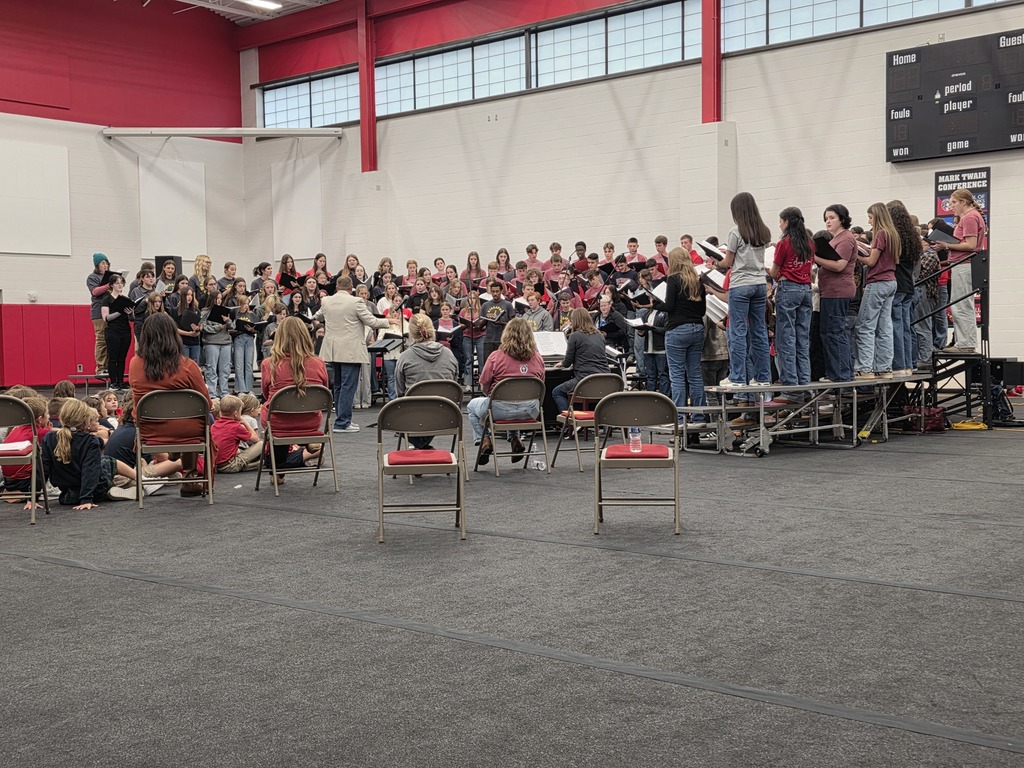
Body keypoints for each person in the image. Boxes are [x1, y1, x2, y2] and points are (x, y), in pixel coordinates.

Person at [129, 313, 215, 497]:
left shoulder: (135, 364)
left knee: (186, 418)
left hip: (151, 430)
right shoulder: (188, 366)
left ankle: (177, 454)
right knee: (199, 417)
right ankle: (190, 477)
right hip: (187, 430)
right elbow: (207, 403)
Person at [315, 276, 389, 433]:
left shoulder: (326, 301)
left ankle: (341, 420)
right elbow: (372, 322)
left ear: (336, 287)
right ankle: (343, 422)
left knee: (339, 385)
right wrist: (389, 321)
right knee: (349, 385)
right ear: (351, 288)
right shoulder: (356, 302)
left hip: (333, 349)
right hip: (350, 350)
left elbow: (317, 316)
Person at [467, 317, 545, 464]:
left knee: (472, 406)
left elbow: (484, 385)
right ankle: (515, 440)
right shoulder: (538, 358)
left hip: (499, 409)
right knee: (514, 403)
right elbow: (541, 385)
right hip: (530, 410)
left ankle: (484, 440)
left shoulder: (496, 357)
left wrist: (491, 395)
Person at [261, 316, 331, 473]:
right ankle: (308, 441)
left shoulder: (269, 364)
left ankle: (277, 471)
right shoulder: (318, 363)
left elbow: (266, 394)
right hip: (310, 421)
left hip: (279, 423)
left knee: (274, 412)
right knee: (287, 410)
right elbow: (324, 392)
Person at [717, 192, 773, 388]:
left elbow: (729, 262)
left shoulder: (736, 231)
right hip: (759, 284)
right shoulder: (763, 231)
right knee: (759, 331)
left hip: (740, 284)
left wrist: (716, 263)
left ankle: (737, 377)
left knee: (738, 332)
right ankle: (763, 377)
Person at [767, 207, 814, 405]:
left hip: (789, 288)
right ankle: (804, 384)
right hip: (805, 290)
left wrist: (768, 270)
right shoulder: (809, 243)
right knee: (802, 339)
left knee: (786, 339)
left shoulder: (784, 243)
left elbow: (774, 271)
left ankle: (791, 386)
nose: (779, 225)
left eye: (780, 221)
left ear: (786, 222)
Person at [931, 188, 986, 353]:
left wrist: (947, 244)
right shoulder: (971, 216)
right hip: (962, 264)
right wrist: (945, 245)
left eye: (954, 202)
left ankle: (966, 343)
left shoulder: (969, 217)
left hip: (965, 264)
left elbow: (970, 245)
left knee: (961, 304)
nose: (951, 206)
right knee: (961, 304)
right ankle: (965, 342)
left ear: (964, 202)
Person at [394, 314, 460, 449]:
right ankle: (424, 447)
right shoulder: (448, 354)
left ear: (411, 333)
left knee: (395, 416)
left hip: (414, 415)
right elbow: (453, 383)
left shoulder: (405, 357)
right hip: (445, 415)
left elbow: (400, 391)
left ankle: (422, 447)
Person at [40, 398, 116, 509]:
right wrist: (86, 499)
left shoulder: (49, 438)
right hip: (94, 492)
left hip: (66, 493)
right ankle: (134, 482)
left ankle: (126, 483)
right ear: (86, 421)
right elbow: (89, 470)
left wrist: (33, 497)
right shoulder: (90, 441)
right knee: (107, 461)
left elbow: (43, 468)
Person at [854, 202, 900, 380]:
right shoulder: (893, 234)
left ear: (878, 217)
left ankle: (864, 368)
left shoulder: (880, 233)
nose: (868, 221)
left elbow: (872, 262)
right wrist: (867, 248)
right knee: (884, 326)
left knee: (865, 325)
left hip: (878, 282)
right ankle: (884, 367)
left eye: (870, 217)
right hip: (891, 281)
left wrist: (855, 255)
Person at [662, 247, 708, 425]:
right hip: (697, 328)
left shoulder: (673, 279)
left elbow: (669, 307)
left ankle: (680, 419)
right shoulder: (697, 281)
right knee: (695, 374)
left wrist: (653, 305)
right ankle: (698, 417)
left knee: (677, 376)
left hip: (677, 329)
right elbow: (703, 310)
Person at [815, 204, 858, 383]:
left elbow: (840, 265)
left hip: (838, 291)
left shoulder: (846, 239)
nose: (828, 221)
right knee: (828, 332)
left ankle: (841, 374)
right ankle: (836, 373)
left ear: (842, 218)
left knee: (835, 332)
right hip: (830, 290)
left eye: (832, 217)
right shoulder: (835, 239)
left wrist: (814, 257)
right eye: (826, 218)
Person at [887, 200, 923, 376]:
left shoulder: (895, 237)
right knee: (905, 326)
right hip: (909, 285)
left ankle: (898, 365)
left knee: (895, 326)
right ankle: (908, 364)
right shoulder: (912, 238)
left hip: (897, 284)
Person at [552, 308, 609, 413]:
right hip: (604, 379)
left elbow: (567, 362)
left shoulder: (575, 336)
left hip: (585, 380)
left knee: (557, 392)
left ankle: (569, 421)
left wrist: (561, 363)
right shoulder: (600, 335)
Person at [1, 396, 50, 507]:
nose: (49, 416)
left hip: (8, 482)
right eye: (47, 414)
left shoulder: (15, 429)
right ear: (40, 419)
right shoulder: (41, 432)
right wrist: (49, 431)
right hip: (26, 483)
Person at [211, 395, 264, 473]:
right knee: (261, 444)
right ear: (236, 414)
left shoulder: (214, 425)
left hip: (215, 464)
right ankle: (248, 465)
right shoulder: (236, 426)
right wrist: (244, 422)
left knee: (238, 449)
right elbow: (256, 440)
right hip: (229, 466)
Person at [101, 273, 134, 391]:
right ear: (111, 285)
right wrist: (120, 312)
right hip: (113, 331)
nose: (120, 285)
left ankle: (121, 381)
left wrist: (130, 313)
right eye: (117, 283)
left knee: (122, 358)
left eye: (121, 283)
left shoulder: (125, 299)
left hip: (125, 331)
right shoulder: (107, 299)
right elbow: (106, 318)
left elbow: (132, 319)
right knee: (113, 357)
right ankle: (113, 382)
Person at [201, 291, 233, 398]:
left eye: (220, 298)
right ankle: (212, 393)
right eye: (217, 298)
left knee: (225, 369)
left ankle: (224, 392)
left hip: (225, 342)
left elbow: (232, 327)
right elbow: (203, 327)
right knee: (211, 369)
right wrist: (217, 327)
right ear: (212, 299)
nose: (219, 300)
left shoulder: (225, 311)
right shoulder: (205, 312)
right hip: (211, 343)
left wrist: (228, 321)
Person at [87, 252, 112, 376]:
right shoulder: (92, 277)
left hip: (110, 310)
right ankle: (101, 367)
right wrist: (109, 285)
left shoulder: (109, 277)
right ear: (97, 265)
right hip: (98, 312)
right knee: (101, 339)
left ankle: (108, 366)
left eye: (107, 263)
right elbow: (95, 291)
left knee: (110, 339)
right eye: (103, 263)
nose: (105, 265)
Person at [480, 280, 514, 363]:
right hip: (489, 340)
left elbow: (513, 325)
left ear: (501, 291)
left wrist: (501, 323)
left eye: (497, 291)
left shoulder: (508, 305)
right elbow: (480, 326)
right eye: (493, 292)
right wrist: (486, 318)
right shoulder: (485, 305)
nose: (495, 294)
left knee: (503, 364)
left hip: (503, 340)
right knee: (488, 364)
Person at [459, 290, 486, 389]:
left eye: (474, 298)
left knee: (481, 359)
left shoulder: (481, 309)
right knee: (468, 359)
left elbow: (484, 324)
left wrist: (479, 325)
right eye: (470, 298)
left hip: (480, 335)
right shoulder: (463, 311)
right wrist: (466, 324)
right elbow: (460, 325)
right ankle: (468, 383)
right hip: (467, 335)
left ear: (477, 299)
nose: (472, 300)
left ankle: (482, 382)